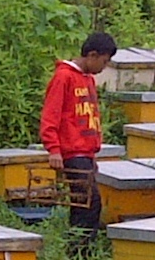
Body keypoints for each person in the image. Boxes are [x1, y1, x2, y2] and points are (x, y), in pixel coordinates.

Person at [40, 31, 117, 246]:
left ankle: (78, 249)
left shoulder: (88, 79)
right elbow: (50, 115)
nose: (104, 66)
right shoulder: (63, 77)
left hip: (87, 153)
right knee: (90, 204)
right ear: (92, 55)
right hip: (73, 153)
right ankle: (80, 250)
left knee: (82, 203)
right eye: (104, 61)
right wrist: (54, 149)